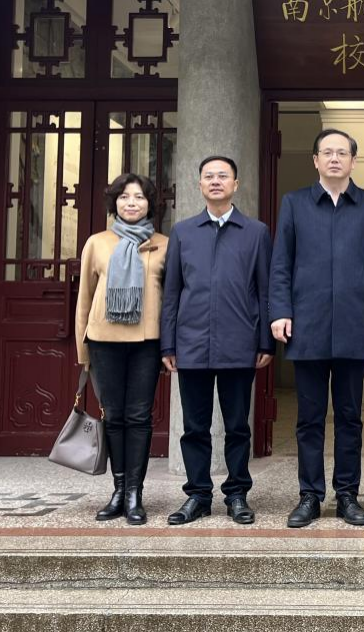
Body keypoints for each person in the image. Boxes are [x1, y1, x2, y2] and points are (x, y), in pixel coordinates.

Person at [270, 128, 364, 528]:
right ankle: (309, 495)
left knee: (349, 416)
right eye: (328, 152)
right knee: (308, 417)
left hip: (355, 325)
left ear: (354, 161)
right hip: (307, 324)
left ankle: (347, 495)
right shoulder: (294, 203)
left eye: (342, 153)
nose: (335, 158)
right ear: (316, 160)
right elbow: (281, 264)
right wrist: (280, 311)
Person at [160, 155, 274, 526]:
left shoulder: (255, 232)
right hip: (191, 343)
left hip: (239, 344)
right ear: (199, 184)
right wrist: (168, 343)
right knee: (194, 427)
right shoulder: (183, 232)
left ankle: (237, 494)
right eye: (208, 176)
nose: (215, 181)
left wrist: (265, 341)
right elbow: (172, 291)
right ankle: (197, 495)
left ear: (235, 184)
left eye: (223, 176)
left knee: (238, 426)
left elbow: (265, 290)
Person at [75, 173, 167, 526]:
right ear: (114, 202)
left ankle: (134, 493)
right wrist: (83, 352)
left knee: (139, 416)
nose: (131, 202)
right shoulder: (97, 243)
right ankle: (117, 490)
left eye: (139, 197)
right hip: (104, 341)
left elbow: (171, 298)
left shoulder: (164, 244)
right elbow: (84, 299)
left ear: (150, 204)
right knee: (113, 416)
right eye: (125, 196)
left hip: (147, 342)